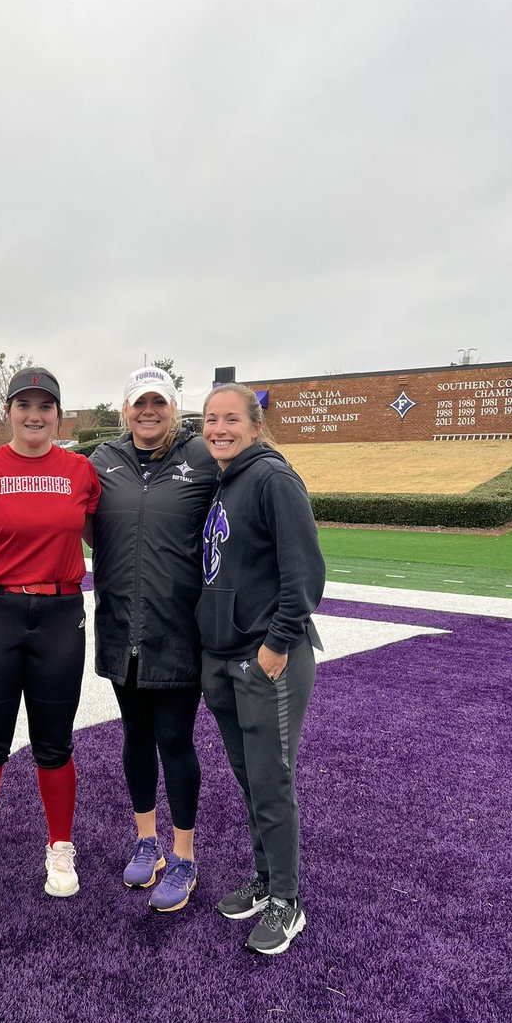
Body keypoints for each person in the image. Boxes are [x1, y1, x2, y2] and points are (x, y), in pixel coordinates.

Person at [0, 366, 101, 906]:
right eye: (24, 406)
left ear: (59, 414)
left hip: (60, 613)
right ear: (8, 412)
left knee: (55, 742)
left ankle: (60, 846)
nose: (34, 416)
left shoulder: (81, 471)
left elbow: (106, 537)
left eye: (45, 406)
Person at [196, 383, 324, 955]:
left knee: (272, 781)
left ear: (255, 424)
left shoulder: (273, 478)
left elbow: (306, 577)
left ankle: (287, 901)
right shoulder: (226, 479)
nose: (218, 428)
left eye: (230, 419)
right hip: (224, 657)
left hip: (265, 657)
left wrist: (275, 645)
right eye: (209, 419)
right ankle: (266, 878)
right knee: (250, 778)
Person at [89, 367, 217, 912]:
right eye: (139, 403)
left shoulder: (205, 459)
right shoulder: (100, 462)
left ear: (174, 408)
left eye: (158, 403)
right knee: (135, 736)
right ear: (125, 410)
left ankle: (184, 854)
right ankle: (148, 841)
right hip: (121, 625)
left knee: (175, 738)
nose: (149, 412)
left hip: (177, 627)